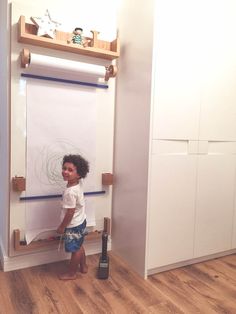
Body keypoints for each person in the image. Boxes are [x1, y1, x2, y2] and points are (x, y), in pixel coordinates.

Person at [57, 154, 89, 280]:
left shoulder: (70, 192)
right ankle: (84, 266)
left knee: (75, 250)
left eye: (70, 170)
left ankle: (71, 273)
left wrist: (62, 227)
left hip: (73, 226)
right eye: (64, 168)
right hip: (81, 221)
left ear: (79, 174)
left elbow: (70, 212)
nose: (65, 172)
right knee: (79, 245)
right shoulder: (77, 184)